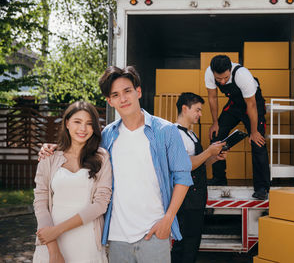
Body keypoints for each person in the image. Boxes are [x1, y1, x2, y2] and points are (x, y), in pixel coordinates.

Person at [39, 66, 193, 263]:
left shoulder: (166, 131)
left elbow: (183, 178)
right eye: (115, 95)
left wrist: (168, 220)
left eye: (127, 91)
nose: (123, 98)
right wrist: (53, 149)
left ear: (138, 92)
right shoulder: (106, 137)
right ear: (110, 101)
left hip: (155, 232)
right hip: (117, 237)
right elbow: (77, 151)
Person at [32, 101, 112, 263]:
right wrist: (53, 249)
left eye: (89, 124)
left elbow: (101, 204)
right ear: (67, 123)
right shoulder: (49, 157)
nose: (83, 129)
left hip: (87, 240)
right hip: (52, 242)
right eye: (77, 122)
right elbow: (40, 203)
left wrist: (58, 230)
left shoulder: (101, 157)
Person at [171, 92, 228, 263]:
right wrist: (208, 152)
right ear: (184, 108)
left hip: (197, 196)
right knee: (185, 244)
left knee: (193, 242)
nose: (200, 114)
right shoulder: (175, 134)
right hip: (186, 198)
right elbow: (186, 165)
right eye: (197, 110)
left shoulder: (192, 134)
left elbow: (198, 164)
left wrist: (213, 157)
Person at [205, 55, 271, 200]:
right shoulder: (209, 73)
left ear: (230, 69)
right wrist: (215, 122)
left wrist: (253, 132)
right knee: (217, 135)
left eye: (225, 78)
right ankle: (219, 179)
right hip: (235, 104)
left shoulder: (242, 75)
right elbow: (212, 98)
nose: (222, 81)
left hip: (253, 105)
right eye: (219, 79)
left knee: (257, 142)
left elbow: (251, 105)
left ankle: (262, 187)